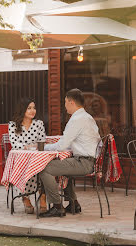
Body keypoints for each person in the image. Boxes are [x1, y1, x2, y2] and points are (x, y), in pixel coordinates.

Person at [39, 88, 101, 218]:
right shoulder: (87, 117)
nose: (64, 105)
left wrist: (43, 147)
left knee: (44, 168)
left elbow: (62, 146)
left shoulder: (76, 119)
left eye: (65, 102)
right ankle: (74, 204)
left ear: (71, 102)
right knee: (59, 165)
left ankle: (57, 206)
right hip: (89, 161)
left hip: (84, 162)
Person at [9, 97, 47, 214]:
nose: (32, 110)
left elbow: (42, 142)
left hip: (36, 158)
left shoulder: (39, 124)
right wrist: (27, 147)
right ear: (22, 110)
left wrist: (34, 147)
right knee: (23, 168)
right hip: (21, 159)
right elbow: (14, 143)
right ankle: (25, 197)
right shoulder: (13, 125)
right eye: (29, 108)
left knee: (44, 169)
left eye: (34, 108)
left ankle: (43, 197)